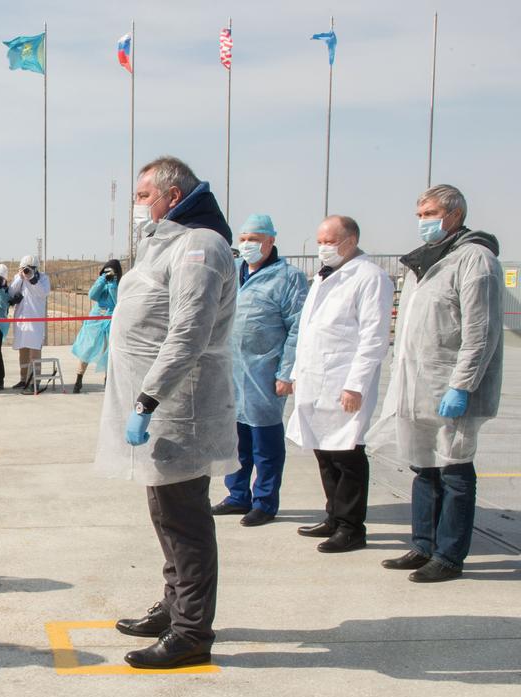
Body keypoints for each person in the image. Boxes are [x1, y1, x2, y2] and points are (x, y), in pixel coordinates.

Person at [95, 156, 237, 669]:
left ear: (172, 196)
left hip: (179, 408)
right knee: (166, 513)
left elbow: (188, 333)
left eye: (142, 196)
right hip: (159, 408)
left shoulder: (200, 246)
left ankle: (191, 630)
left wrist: (148, 399)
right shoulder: (169, 243)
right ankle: (175, 604)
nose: (137, 205)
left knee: (185, 521)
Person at [370, 184, 503, 583]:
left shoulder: (475, 259)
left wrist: (462, 385)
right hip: (419, 384)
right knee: (424, 467)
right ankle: (424, 544)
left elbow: (480, 332)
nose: (422, 222)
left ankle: (449, 555)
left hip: (451, 385)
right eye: (419, 215)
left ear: (454, 215)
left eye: (429, 214)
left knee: (454, 469)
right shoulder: (425, 261)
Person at [286, 216, 394, 554]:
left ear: (350, 241)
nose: (323, 248)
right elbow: (309, 333)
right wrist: (296, 374)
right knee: (324, 452)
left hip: (344, 381)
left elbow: (374, 337)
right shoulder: (324, 276)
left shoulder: (370, 277)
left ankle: (351, 527)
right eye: (320, 241)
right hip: (316, 379)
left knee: (347, 455)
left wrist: (356, 385)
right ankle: (333, 516)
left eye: (329, 242)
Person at [211, 214, 308, 527]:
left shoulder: (288, 278)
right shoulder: (233, 273)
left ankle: (265, 501)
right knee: (235, 440)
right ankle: (237, 495)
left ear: (270, 241)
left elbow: (297, 328)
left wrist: (286, 372)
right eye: (243, 239)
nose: (247, 245)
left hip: (264, 370)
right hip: (231, 370)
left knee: (264, 441)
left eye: (254, 239)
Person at [70, 259, 121, 393]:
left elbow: (117, 301)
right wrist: (102, 280)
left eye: (111, 271)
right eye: (106, 271)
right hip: (96, 319)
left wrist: (113, 284)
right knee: (87, 348)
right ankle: (78, 379)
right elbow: (92, 295)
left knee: (109, 352)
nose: (109, 273)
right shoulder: (102, 281)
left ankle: (108, 381)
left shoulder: (119, 284)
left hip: (110, 320)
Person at [8, 255, 50, 391]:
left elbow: (43, 293)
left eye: (29, 269)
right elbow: (11, 292)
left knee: (34, 353)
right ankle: (23, 379)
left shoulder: (43, 278)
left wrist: (32, 279)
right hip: (21, 321)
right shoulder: (18, 278)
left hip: (35, 321)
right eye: (24, 269)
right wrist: (20, 278)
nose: (26, 271)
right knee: (23, 352)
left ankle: (34, 381)